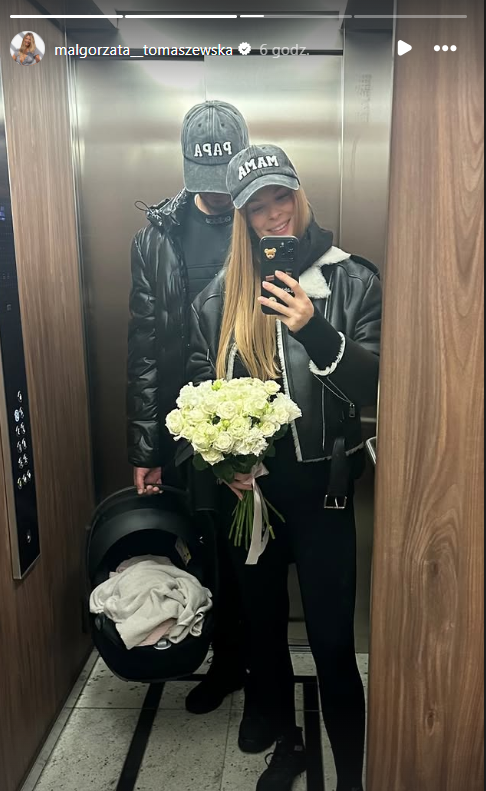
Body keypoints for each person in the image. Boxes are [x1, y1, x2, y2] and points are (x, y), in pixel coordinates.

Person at [186, 144, 382, 791]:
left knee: (332, 646)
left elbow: (374, 384)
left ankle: (351, 777)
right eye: (258, 208)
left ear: (300, 194)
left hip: (325, 495)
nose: (276, 216)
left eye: (282, 198)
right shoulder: (217, 301)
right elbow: (199, 402)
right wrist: (221, 465)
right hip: (253, 502)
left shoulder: (353, 280)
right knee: (265, 637)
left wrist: (313, 328)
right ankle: (289, 744)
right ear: (242, 219)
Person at [126, 101, 250, 714]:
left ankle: (260, 666)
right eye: (206, 181)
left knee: (257, 550)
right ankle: (223, 662)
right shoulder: (156, 239)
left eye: (226, 180)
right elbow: (145, 350)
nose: (219, 195)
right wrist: (145, 449)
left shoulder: (265, 221)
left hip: (260, 420)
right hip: (188, 428)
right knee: (207, 548)